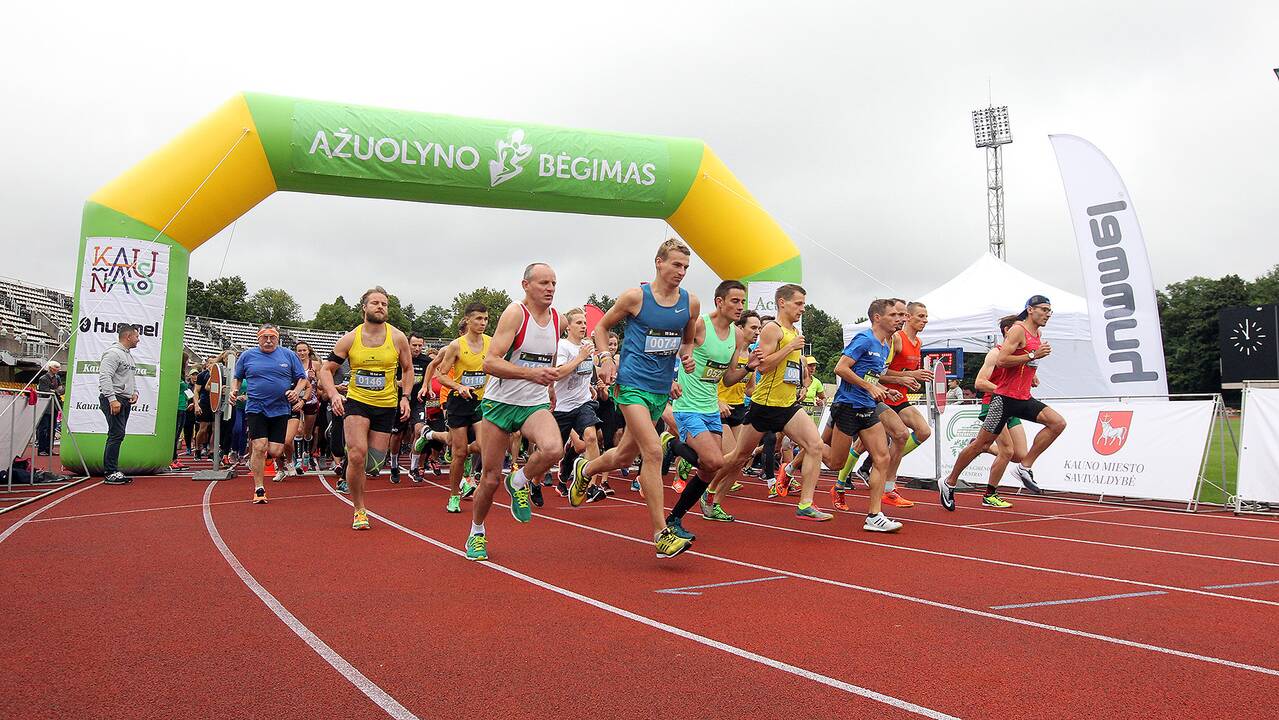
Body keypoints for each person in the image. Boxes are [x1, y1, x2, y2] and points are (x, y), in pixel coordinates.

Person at [570, 239, 701, 559]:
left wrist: (686, 358)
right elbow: (600, 328)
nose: (681, 272)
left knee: (624, 457)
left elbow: (685, 343)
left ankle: (584, 471)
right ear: (659, 262)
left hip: (659, 390)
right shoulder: (635, 297)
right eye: (675, 265)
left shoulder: (690, 304)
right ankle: (661, 533)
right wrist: (605, 359)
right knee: (654, 451)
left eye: (685, 267)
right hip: (629, 387)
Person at [464, 263, 566, 561]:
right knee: (490, 478)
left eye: (554, 283)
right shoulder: (515, 314)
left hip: (533, 403)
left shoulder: (557, 319)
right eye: (544, 283)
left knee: (553, 449)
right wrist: (529, 374)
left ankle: (519, 480)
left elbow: (549, 357)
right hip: (499, 405)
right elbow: (490, 363)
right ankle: (476, 532)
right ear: (526, 285)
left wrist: (548, 386)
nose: (550, 289)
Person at [708, 284, 831, 521]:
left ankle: (805, 503)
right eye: (798, 303)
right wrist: (790, 349)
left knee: (814, 445)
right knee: (739, 456)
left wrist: (798, 385)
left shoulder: (795, 333)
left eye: (804, 304)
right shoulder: (772, 330)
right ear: (782, 303)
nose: (802, 309)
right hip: (765, 405)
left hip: (787, 405)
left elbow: (789, 370)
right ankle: (710, 490)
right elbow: (763, 367)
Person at [939, 295, 1066, 510]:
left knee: (1057, 423)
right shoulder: (1017, 329)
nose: (1047, 314)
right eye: (1044, 310)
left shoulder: (1038, 333)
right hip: (1003, 399)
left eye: (1049, 311)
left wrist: (1031, 373)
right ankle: (949, 481)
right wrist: (1033, 355)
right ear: (1030, 309)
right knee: (982, 445)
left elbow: (1025, 362)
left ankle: (1024, 467)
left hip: (1023, 398)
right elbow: (1002, 360)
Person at [662, 280, 758, 532]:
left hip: (710, 409)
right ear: (719, 301)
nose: (740, 307)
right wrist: (670, 380)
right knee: (714, 460)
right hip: (687, 405)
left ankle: (674, 518)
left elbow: (727, 378)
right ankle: (671, 444)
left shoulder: (737, 335)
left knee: (710, 468)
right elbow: (669, 352)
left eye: (742, 302)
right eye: (735, 301)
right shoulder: (700, 325)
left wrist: (749, 367)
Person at [318, 287, 414, 530]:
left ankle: (354, 462)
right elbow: (325, 369)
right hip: (357, 401)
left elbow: (408, 369)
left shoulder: (398, 337)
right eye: (375, 303)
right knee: (358, 454)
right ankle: (359, 509)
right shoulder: (351, 338)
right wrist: (333, 395)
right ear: (364, 307)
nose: (380, 307)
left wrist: (405, 397)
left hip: (386, 405)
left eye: (384, 303)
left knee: (373, 466)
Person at [821, 299, 906, 532]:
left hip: (868, 408)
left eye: (900, 316)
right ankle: (808, 446)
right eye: (893, 315)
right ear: (877, 318)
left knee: (882, 458)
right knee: (835, 462)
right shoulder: (864, 339)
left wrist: (885, 390)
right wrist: (870, 388)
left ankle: (874, 515)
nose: (899, 319)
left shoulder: (885, 346)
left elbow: (871, 377)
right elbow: (841, 368)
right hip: (847, 406)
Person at [229, 325, 307, 504]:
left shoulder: (288, 355)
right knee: (259, 446)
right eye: (265, 337)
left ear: (277, 338)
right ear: (258, 338)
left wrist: (296, 391)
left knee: (275, 450)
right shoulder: (248, 356)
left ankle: (263, 459)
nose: (269, 340)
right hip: (256, 407)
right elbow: (237, 377)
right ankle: (259, 489)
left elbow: (302, 378)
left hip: (280, 409)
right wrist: (234, 390)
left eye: (272, 337)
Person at [428, 303, 491, 513]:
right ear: (467, 321)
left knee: (484, 446)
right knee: (460, 453)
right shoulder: (456, 345)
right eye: (478, 319)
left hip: (480, 402)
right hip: (458, 402)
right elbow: (441, 374)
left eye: (485, 319)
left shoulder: (491, 343)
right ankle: (454, 494)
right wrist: (459, 386)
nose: (482, 323)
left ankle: (470, 477)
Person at [972, 315, 1032, 508]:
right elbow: (979, 383)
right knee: (1006, 451)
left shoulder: (1019, 356)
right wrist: (1003, 391)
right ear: (1008, 331)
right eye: (1019, 327)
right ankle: (990, 494)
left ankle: (982, 445)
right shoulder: (995, 353)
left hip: (1013, 405)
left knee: (1020, 455)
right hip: (994, 404)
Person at [550, 308, 599, 499]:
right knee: (552, 453)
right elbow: (559, 373)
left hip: (583, 403)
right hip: (562, 407)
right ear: (568, 327)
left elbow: (588, 371)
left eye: (585, 323)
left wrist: (593, 385)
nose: (583, 326)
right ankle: (535, 481)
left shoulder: (587, 346)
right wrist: (580, 356)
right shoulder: (562, 346)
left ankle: (590, 485)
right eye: (579, 323)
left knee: (591, 438)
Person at [97, 323, 139, 485]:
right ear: (128, 336)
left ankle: (112, 469)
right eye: (136, 336)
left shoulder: (128, 355)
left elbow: (130, 378)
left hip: (124, 398)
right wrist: (112, 399)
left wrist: (135, 392)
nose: (138, 339)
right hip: (115, 399)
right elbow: (105, 376)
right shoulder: (113, 354)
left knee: (118, 434)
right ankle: (110, 471)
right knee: (116, 434)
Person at [283, 341, 322, 477]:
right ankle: (298, 460)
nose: (302, 353)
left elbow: (322, 384)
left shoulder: (315, 365)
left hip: (311, 400)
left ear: (308, 351)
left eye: (304, 350)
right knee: (298, 430)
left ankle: (307, 454)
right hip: (297, 401)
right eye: (299, 351)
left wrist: (314, 377)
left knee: (307, 432)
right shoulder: (293, 364)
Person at [35, 360, 63, 456]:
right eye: (56, 367)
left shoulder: (57, 377)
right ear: (50, 368)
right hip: (46, 406)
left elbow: (61, 390)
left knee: (52, 428)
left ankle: (49, 449)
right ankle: (41, 449)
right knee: (44, 428)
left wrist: (54, 391)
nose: (58, 369)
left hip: (54, 406)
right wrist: (55, 391)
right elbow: (45, 392)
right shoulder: (43, 378)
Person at [170, 370, 192, 470]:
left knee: (177, 434)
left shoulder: (182, 377)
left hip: (183, 407)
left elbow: (187, 392)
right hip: (177, 407)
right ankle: (171, 459)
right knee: (174, 435)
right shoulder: (175, 375)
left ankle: (174, 458)